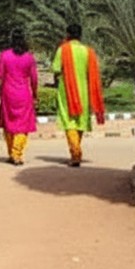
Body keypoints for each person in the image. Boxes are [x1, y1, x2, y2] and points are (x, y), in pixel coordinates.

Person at [52, 23, 105, 167]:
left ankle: (75, 153)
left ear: (67, 34)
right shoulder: (88, 51)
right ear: (80, 35)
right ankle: (75, 150)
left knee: (69, 121)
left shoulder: (63, 49)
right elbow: (93, 72)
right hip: (84, 91)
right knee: (80, 122)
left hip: (67, 91)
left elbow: (56, 69)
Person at [0, 29, 38, 165]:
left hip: (8, 93)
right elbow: (34, 79)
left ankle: (11, 153)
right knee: (23, 125)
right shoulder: (29, 57)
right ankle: (16, 153)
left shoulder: (5, 55)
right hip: (24, 93)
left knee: (8, 122)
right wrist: (35, 94)